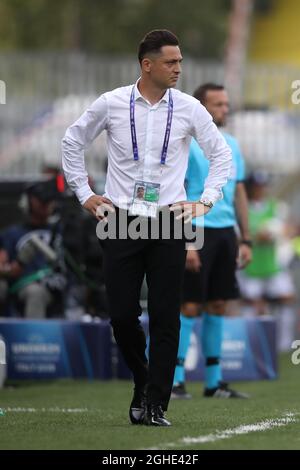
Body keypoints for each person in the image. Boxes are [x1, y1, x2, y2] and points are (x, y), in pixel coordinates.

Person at [62, 31, 232, 426]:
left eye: (180, 62)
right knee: (122, 315)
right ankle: (143, 380)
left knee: (165, 314)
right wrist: (85, 194)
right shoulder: (112, 103)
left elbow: (220, 156)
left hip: (171, 220)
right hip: (120, 219)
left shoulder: (189, 108)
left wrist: (205, 200)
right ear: (147, 64)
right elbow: (72, 141)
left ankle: (156, 401)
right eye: (171, 62)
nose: (178, 69)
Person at [171, 83, 252, 399]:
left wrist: (245, 239)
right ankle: (176, 380)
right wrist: (187, 241)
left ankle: (213, 383)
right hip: (197, 230)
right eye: (218, 104)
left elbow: (239, 192)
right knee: (189, 305)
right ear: (202, 108)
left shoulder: (230, 144)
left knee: (218, 303)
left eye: (226, 104)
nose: (225, 110)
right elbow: (176, 192)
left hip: (225, 234)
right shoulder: (187, 145)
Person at [238, 171, 296, 351]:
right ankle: (250, 342)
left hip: (272, 264)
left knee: (287, 298)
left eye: (263, 186)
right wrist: (256, 237)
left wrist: (278, 232)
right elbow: (236, 236)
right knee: (251, 302)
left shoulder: (274, 206)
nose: (261, 190)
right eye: (257, 186)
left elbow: (289, 229)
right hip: (251, 266)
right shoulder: (243, 208)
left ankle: (284, 343)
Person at [0, 179, 66, 318]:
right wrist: (20, 261)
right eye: (40, 200)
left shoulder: (63, 231)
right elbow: (3, 267)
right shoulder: (11, 234)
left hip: (58, 285)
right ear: (27, 202)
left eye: (48, 201)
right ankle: (34, 339)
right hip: (25, 286)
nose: (45, 204)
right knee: (35, 292)